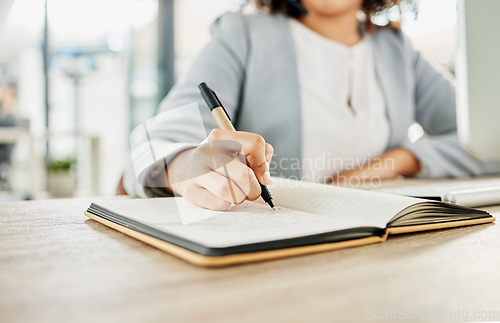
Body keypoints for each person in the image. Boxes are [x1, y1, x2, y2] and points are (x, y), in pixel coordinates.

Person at [122, 0, 500, 210]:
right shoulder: (244, 34)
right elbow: (156, 139)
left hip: (382, 242)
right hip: (279, 248)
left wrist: (400, 160)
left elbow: (486, 137)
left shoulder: (397, 50)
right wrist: (186, 163)